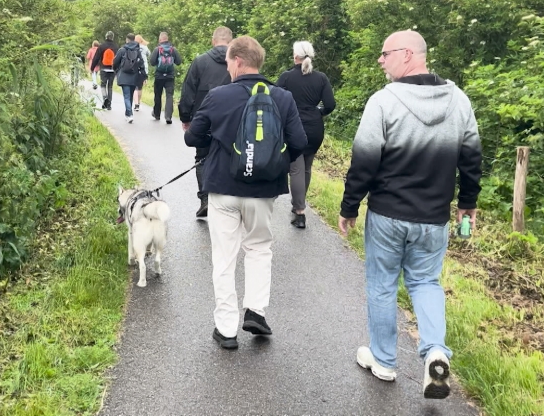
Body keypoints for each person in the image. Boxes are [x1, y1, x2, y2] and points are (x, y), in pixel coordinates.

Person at [338, 30, 481, 399]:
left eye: (385, 54)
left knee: (382, 284)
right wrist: (467, 203)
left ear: (406, 54)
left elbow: (364, 161)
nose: (380, 61)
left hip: (387, 214)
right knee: (426, 283)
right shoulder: (459, 100)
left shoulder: (384, 101)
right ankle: (435, 351)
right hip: (434, 217)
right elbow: (471, 158)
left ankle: (384, 360)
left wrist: (349, 206)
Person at [185, 35, 308, 350]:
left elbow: (192, 138)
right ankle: (256, 311)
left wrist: (216, 141)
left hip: (223, 189)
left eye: (227, 61)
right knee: (258, 248)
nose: (226, 66)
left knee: (224, 258)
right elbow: (299, 143)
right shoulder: (282, 97)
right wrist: (272, 163)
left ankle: (226, 329)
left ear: (237, 60)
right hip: (263, 191)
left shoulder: (218, 96)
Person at [275, 41, 335, 229]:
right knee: (306, 168)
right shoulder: (321, 78)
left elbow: (274, 100)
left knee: (296, 169)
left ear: (295, 57)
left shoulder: (286, 78)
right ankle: (298, 205)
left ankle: (300, 212)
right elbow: (330, 104)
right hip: (315, 128)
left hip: (293, 127)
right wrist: (318, 113)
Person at [178, 26, 233, 217]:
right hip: (230, 121)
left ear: (213, 40)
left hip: (203, 119)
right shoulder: (236, 62)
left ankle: (205, 199)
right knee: (227, 158)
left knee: (201, 159)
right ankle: (224, 200)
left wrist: (186, 118)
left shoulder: (200, 61)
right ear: (231, 42)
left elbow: (188, 92)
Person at [149, 31, 183, 124]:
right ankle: (168, 116)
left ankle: (156, 114)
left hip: (159, 75)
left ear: (160, 39)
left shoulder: (157, 49)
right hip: (170, 76)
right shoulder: (173, 49)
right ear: (167, 39)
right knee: (169, 96)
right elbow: (179, 61)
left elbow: (152, 62)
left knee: (158, 95)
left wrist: (158, 62)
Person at [114, 33, 146, 123]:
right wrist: (144, 76)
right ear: (134, 39)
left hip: (124, 76)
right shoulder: (138, 51)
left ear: (127, 40)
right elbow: (141, 64)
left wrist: (116, 70)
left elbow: (115, 61)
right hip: (134, 76)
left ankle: (130, 114)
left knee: (127, 96)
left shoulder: (122, 50)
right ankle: (127, 114)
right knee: (130, 96)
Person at [89, 32, 119, 110]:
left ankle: (105, 98)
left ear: (106, 37)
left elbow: (96, 58)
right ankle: (109, 104)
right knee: (110, 86)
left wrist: (92, 68)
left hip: (103, 68)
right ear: (112, 37)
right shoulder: (116, 47)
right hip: (112, 69)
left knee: (103, 85)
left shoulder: (102, 46)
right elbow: (118, 59)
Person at [133, 35, 151, 111]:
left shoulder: (134, 47)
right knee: (140, 87)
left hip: (136, 68)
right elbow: (150, 54)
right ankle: (139, 102)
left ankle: (136, 104)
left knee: (135, 87)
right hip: (144, 69)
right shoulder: (145, 47)